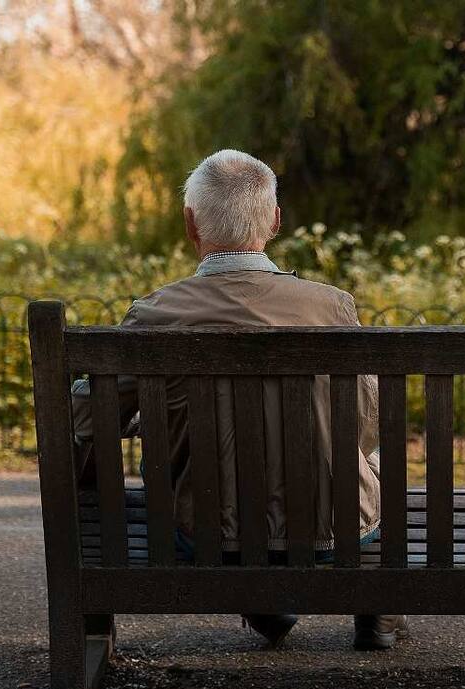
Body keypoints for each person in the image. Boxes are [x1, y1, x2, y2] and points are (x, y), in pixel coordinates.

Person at [70, 148, 406, 651]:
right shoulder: (332, 307)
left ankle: (265, 603)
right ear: (274, 220)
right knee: (365, 459)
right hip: (333, 531)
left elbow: (85, 418)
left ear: (190, 224)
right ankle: (375, 607)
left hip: (204, 535)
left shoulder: (157, 315)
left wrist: (149, 423)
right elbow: (363, 427)